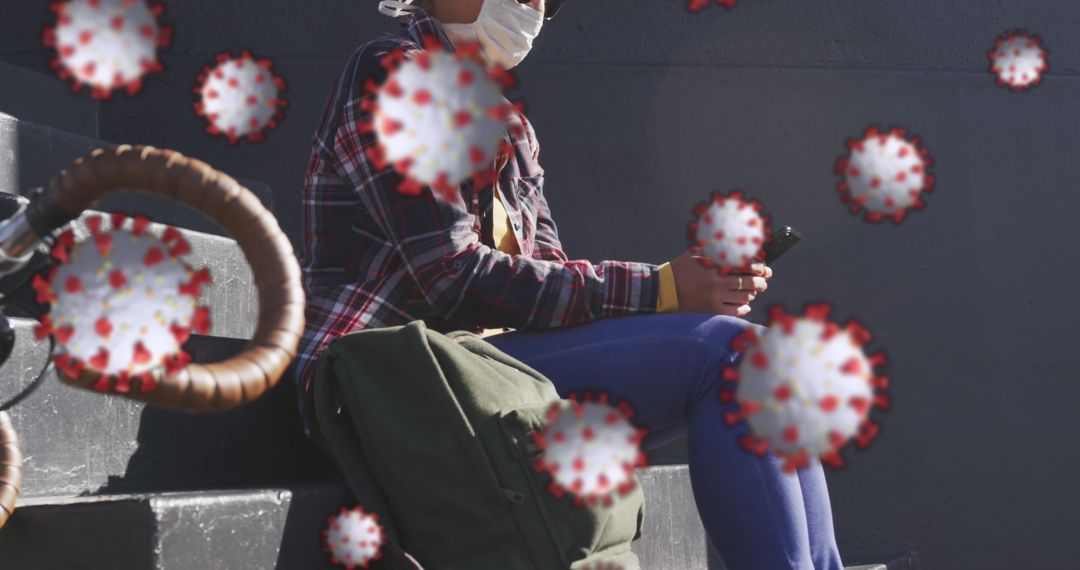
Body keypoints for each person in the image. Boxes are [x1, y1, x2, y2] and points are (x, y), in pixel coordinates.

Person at [295, 0, 845, 568]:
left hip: (491, 374)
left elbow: (548, 279)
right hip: (393, 386)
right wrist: (659, 289)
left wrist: (685, 292)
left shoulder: (509, 126)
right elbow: (450, 276)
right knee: (731, 355)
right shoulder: (396, 73)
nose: (536, 6)